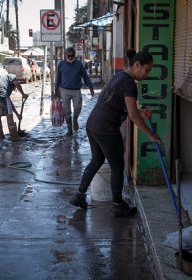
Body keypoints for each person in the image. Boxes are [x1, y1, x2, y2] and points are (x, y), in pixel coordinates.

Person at [69, 49, 161, 218]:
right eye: (146, 70)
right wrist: (150, 134)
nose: (147, 75)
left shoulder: (119, 77)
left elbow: (127, 108)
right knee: (117, 166)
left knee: (97, 160)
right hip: (106, 128)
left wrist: (141, 113)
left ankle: (79, 196)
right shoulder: (129, 84)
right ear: (137, 65)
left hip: (93, 124)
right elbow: (132, 115)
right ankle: (117, 205)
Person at [54, 47, 95, 135]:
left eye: (72, 56)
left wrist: (91, 87)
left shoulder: (79, 64)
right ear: (66, 55)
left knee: (78, 107)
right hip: (64, 90)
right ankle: (69, 129)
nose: (70, 57)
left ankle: (75, 119)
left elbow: (85, 76)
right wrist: (56, 91)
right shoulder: (61, 64)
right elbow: (57, 79)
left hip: (76, 90)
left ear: (74, 55)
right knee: (66, 110)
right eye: (68, 56)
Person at [0, 74, 28, 141]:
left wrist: (18, 115)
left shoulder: (4, 83)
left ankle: (1, 136)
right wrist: (23, 94)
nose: (13, 89)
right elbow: (17, 83)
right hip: (0, 90)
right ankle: (15, 137)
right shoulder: (11, 76)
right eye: (14, 88)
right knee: (9, 115)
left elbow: (9, 103)